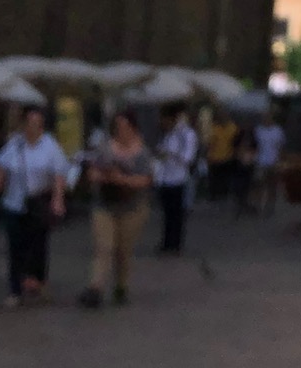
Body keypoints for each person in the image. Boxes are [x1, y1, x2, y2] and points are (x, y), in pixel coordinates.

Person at [0, 105, 70, 309]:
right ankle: (15, 289)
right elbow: (0, 173)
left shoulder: (50, 146)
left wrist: (58, 199)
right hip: (14, 203)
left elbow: (59, 175)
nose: (33, 128)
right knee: (15, 247)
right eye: (29, 123)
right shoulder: (14, 144)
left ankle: (38, 280)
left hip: (38, 203)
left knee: (38, 244)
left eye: (37, 124)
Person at [80, 111, 153, 308]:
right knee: (104, 247)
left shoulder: (142, 153)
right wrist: (102, 177)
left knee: (123, 251)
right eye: (118, 127)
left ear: (133, 128)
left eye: (125, 126)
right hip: (105, 205)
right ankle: (95, 287)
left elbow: (145, 180)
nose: (121, 131)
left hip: (132, 208)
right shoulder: (105, 149)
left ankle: (121, 285)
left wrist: (122, 179)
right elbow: (92, 172)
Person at [154, 105, 199, 253]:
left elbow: (188, 158)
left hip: (178, 178)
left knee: (176, 214)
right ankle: (167, 242)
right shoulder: (168, 134)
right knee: (167, 213)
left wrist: (170, 155)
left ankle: (175, 243)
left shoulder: (186, 134)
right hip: (165, 177)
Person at [251, 110, 286, 216]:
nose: (266, 119)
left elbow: (281, 147)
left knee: (272, 186)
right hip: (260, 162)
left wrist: (280, 161)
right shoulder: (258, 130)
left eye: (268, 117)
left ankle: (270, 206)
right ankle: (258, 205)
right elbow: (253, 145)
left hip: (273, 162)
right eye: (264, 117)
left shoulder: (278, 131)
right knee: (259, 184)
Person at [204, 112, 238, 202]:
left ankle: (224, 194)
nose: (223, 118)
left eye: (225, 116)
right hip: (214, 157)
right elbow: (209, 143)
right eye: (221, 116)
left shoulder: (233, 128)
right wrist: (208, 155)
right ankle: (213, 195)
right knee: (214, 177)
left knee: (225, 177)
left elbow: (236, 142)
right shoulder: (214, 128)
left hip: (228, 157)